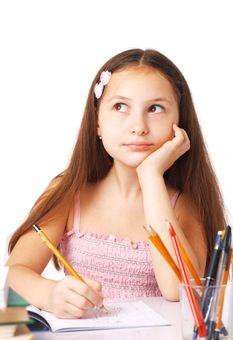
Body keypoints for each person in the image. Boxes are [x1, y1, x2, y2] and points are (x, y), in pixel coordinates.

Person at [7, 48, 226, 319]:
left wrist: (151, 176)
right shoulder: (69, 192)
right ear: (97, 122)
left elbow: (179, 291)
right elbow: (16, 272)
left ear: (179, 123)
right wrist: (49, 294)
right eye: (120, 107)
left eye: (155, 108)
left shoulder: (182, 205)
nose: (138, 126)